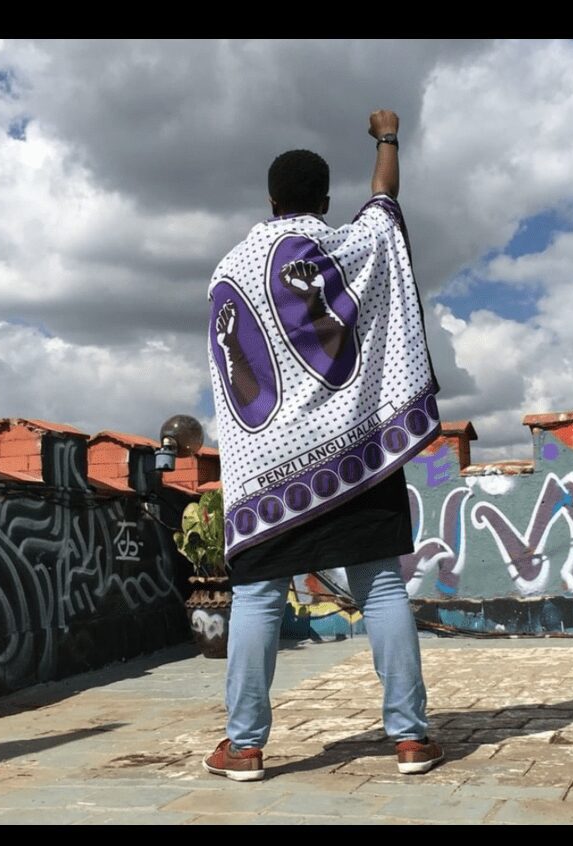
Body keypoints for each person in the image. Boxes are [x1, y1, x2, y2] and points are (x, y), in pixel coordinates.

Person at [203, 109, 444, 782]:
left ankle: (244, 746)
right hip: (355, 455)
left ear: (271, 201)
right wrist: (386, 136)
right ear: (323, 201)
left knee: (255, 599)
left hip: (265, 470)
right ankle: (410, 739)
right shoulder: (345, 246)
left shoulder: (227, 271)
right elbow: (385, 201)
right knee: (380, 588)